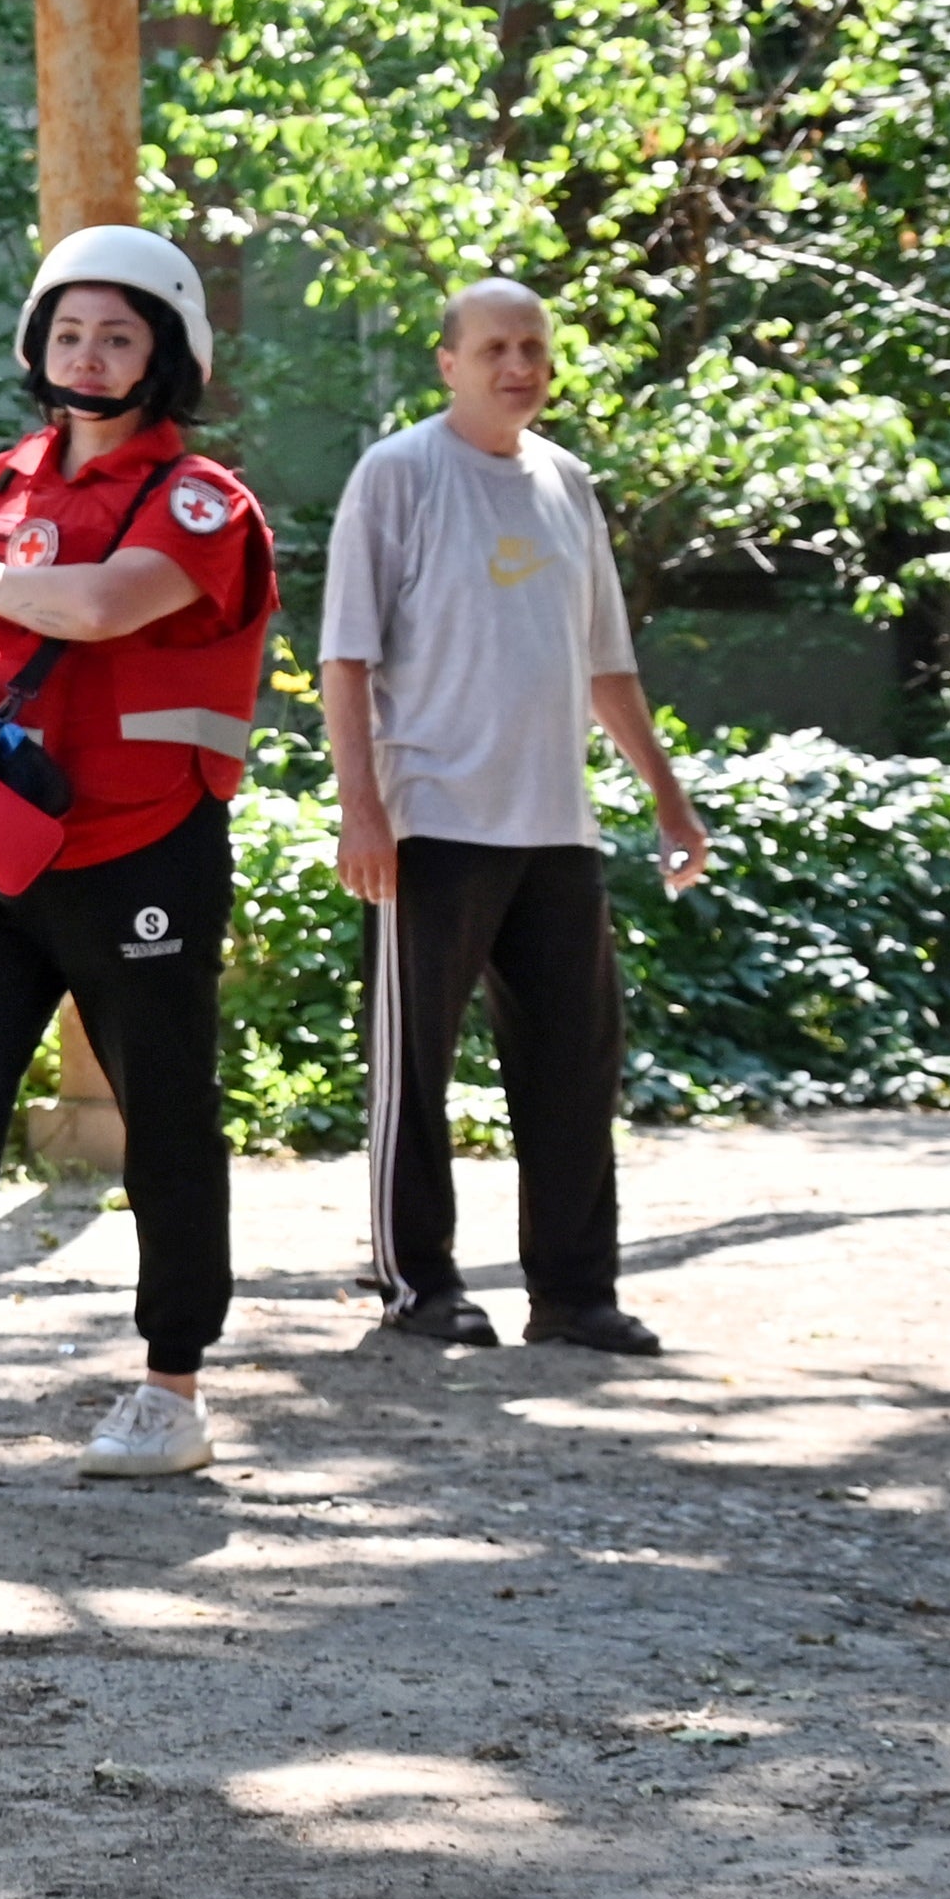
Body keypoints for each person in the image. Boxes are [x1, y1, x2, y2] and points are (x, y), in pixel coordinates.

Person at [0, 227, 276, 1478]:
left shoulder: (200, 500)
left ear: (167, 353)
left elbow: (103, 606)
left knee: (164, 1118)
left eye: (119, 332)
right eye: (69, 330)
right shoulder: (0, 486)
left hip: (144, 854)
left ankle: (173, 1388)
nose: (90, 352)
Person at [319, 278, 710, 1354]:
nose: (518, 365)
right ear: (448, 362)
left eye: (533, 346)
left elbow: (608, 666)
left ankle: (576, 1292)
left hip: (556, 826)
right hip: (431, 817)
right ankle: (422, 1282)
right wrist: (363, 810)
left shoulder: (567, 484)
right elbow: (344, 656)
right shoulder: (398, 473)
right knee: (414, 1069)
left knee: (576, 1065)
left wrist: (669, 801)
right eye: (494, 346)